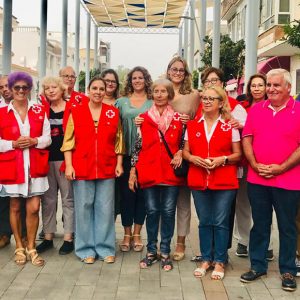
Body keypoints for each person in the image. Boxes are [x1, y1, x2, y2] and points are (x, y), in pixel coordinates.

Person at [240, 69, 300, 292]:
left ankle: (287, 270)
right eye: (269, 85)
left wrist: (281, 167)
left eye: (276, 85)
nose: (271, 89)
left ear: (288, 88)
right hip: (258, 179)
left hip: (289, 181)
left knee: (287, 227)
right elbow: (247, 138)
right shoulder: (257, 109)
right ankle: (258, 265)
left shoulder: (299, 110)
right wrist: (254, 164)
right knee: (260, 225)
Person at [61, 76, 124, 264]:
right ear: (88, 90)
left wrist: (119, 164)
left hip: (106, 167)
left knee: (105, 209)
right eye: (94, 88)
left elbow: (119, 141)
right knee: (83, 208)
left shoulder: (112, 112)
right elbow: (68, 141)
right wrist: (70, 165)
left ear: (106, 92)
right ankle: (85, 249)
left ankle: (105, 248)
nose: (98, 92)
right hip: (82, 167)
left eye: (101, 89)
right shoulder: (76, 111)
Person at [183, 86, 241, 280]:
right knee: (205, 221)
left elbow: (237, 154)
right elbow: (185, 151)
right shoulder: (192, 125)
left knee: (221, 222)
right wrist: (193, 159)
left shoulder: (229, 126)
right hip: (199, 180)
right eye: (204, 98)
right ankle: (206, 259)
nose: (206, 102)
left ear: (221, 102)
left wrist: (222, 159)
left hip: (224, 181)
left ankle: (220, 261)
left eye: (211, 98)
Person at [129, 79, 184, 271]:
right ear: (152, 94)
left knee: (168, 213)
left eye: (164, 91)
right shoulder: (143, 118)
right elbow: (137, 146)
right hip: (149, 170)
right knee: (152, 212)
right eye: (156, 91)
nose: (160, 94)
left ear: (170, 94)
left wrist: (180, 152)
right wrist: (133, 171)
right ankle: (151, 251)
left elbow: (185, 144)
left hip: (170, 172)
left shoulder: (179, 119)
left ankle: (165, 251)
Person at [0, 71, 51, 266]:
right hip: (12, 166)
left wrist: (34, 140)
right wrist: (12, 144)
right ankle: (19, 246)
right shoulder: (2, 112)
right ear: (10, 90)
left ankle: (31, 246)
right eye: (17, 88)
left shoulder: (39, 110)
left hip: (34, 166)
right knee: (14, 207)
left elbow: (48, 138)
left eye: (25, 87)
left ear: (30, 89)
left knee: (34, 207)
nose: (21, 91)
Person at [198, 67, 247, 254]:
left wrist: (239, 125)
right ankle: (207, 250)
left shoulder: (235, 106)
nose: (211, 84)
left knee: (224, 213)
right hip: (203, 169)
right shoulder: (202, 104)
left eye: (215, 80)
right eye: (207, 82)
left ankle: (221, 251)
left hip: (228, 167)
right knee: (206, 215)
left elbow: (247, 131)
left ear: (222, 83)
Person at [234, 74, 274, 260]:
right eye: (253, 85)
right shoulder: (241, 107)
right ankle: (243, 240)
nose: (257, 88)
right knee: (243, 204)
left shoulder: (274, 106)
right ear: (249, 88)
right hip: (244, 162)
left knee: (266, 206)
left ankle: (267, 244)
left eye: (261, 85)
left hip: (266, 162)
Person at [116, 66, 152, 253]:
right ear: (130, 81)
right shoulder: (121, 102)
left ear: (146, 80)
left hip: (147, 156)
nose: (137, 81)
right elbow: (115, 130)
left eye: (141, 77)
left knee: (143, 197)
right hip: (126, 154)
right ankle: (127, 233)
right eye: (134, 78)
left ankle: (138, 233)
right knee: (127, 196)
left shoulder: (153, 102)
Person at [36, 77, 74, 255]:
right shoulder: (42, 111)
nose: (50, 91)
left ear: (62, 89)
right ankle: (49, 237)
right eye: (47, 88)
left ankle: (68, 238)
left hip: (66, 160)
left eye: (54, 87)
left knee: (68, 199)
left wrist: (71, 164)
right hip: (46, 159)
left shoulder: (72, 109)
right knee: (48, 200)